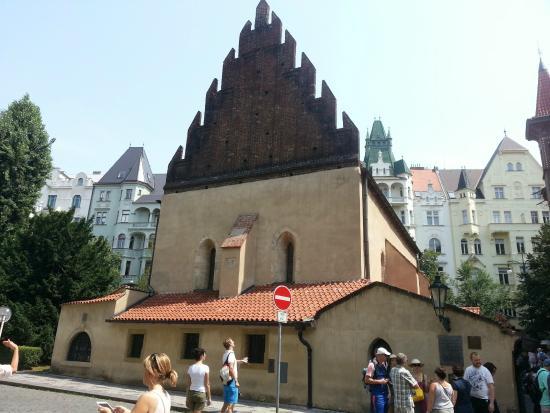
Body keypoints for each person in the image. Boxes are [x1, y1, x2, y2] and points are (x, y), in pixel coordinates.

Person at [98, 353, 177, 413]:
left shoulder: (147, 397)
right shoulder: (166, 395)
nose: (143, 373)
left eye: (145, 370)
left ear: (152, 373)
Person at [221, 337, 248, 413]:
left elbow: (232, 362)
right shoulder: (231, 354)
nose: (234, 342)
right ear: (230, 344)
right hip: (232, 381)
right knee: (231, 405)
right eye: (232, 341)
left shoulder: (226, 353)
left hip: (226, 381)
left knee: (226, 404)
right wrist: (236, 380)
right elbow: (231, 368)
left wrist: (241, 361)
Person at [364, 347, 391, 413]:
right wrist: (380, 381)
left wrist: (387, 379)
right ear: (379, 356)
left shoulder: (385, 364)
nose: (386, 357)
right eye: (385, 355)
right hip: (377, 395)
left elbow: (386, 376)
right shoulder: (371, 365)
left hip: (385, 394)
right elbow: (366, 380)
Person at [186, 347, 211, 413]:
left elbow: (188, 384)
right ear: (201, 356)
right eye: (204, 354)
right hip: (201, 393)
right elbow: (207, 384)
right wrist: (209, 398)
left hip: (191, 393)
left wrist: (187, 397)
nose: (205, 356)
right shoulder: (206, 368)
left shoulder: (190, 368)